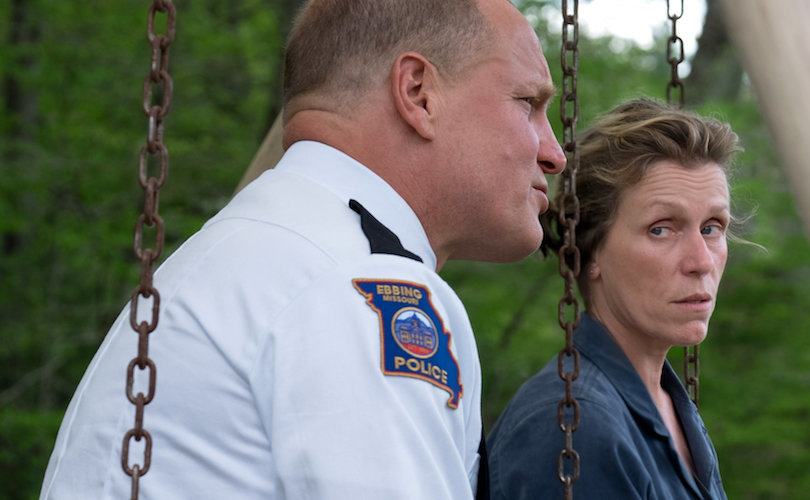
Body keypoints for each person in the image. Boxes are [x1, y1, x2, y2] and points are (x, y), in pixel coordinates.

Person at [41, 0, 564, 498]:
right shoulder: (355, 285)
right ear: (418, 92)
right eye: (528, 104)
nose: (554, 154)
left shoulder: (267, 249)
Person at [487, 98, 740, 499]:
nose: (701, 262)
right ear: (589, 253)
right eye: (661, 229)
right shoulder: (576, 427)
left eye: (711, 228)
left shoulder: (666, 405)